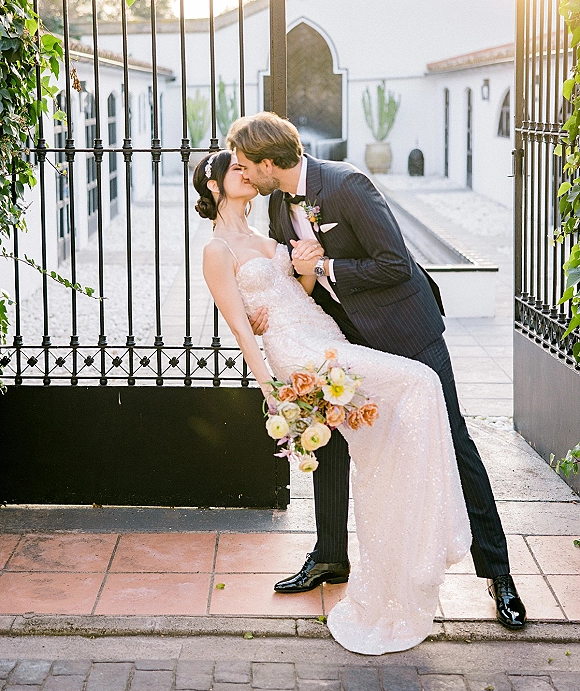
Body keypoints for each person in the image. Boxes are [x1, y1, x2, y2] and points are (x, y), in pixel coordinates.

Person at [225, 111, 527, 633]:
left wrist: (323, 268)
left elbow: (395, 264)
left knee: (454, 442)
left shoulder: (347, 186)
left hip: (408, 332)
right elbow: (296, 281)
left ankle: (499, 576)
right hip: (347, 340)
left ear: (270, 163)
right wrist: (284, 295)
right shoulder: (278, 205)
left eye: (248, 167)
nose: (244, 176)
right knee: (334, 441)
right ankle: (329, 557)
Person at [194, 147, 471, 654]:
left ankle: (404, 556)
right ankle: (436, 538)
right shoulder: (218, 251)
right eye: (236, 170)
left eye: (248, 166)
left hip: (327, 338)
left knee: (384, 443)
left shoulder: (265, 232)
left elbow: (297, 290)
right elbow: (241, 329)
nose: (248, 174)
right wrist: (273, 393)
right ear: (214, 187)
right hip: (301, 356)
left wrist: (302, 267)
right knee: (419, 384)